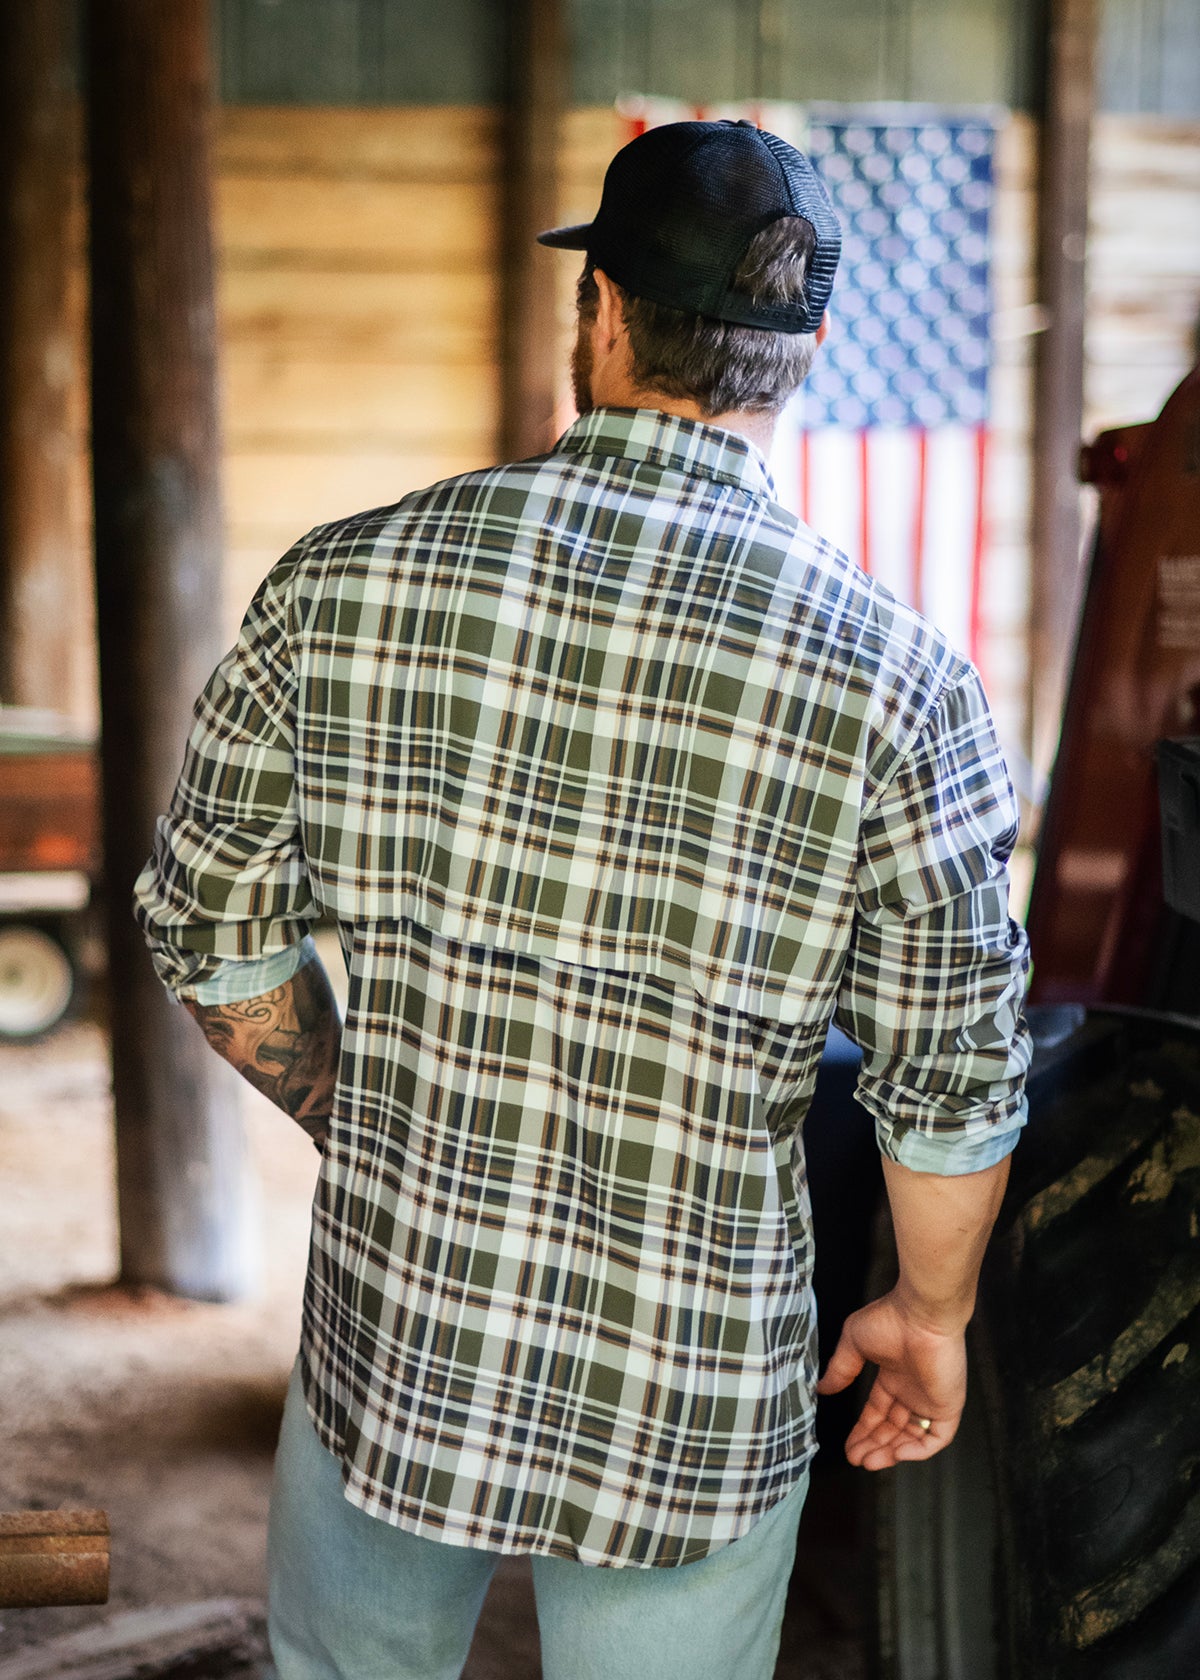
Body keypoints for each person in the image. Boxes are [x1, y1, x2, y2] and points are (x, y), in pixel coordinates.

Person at [135, 119, 1030, 1680]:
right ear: (804, 344)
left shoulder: (341, 584)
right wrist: (926, 1314)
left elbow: (208, 927)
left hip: (395, 1323)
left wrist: (371, 1116)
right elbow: (953, 1080)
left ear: (602, 311)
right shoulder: (905, 683)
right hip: (687, 1387)